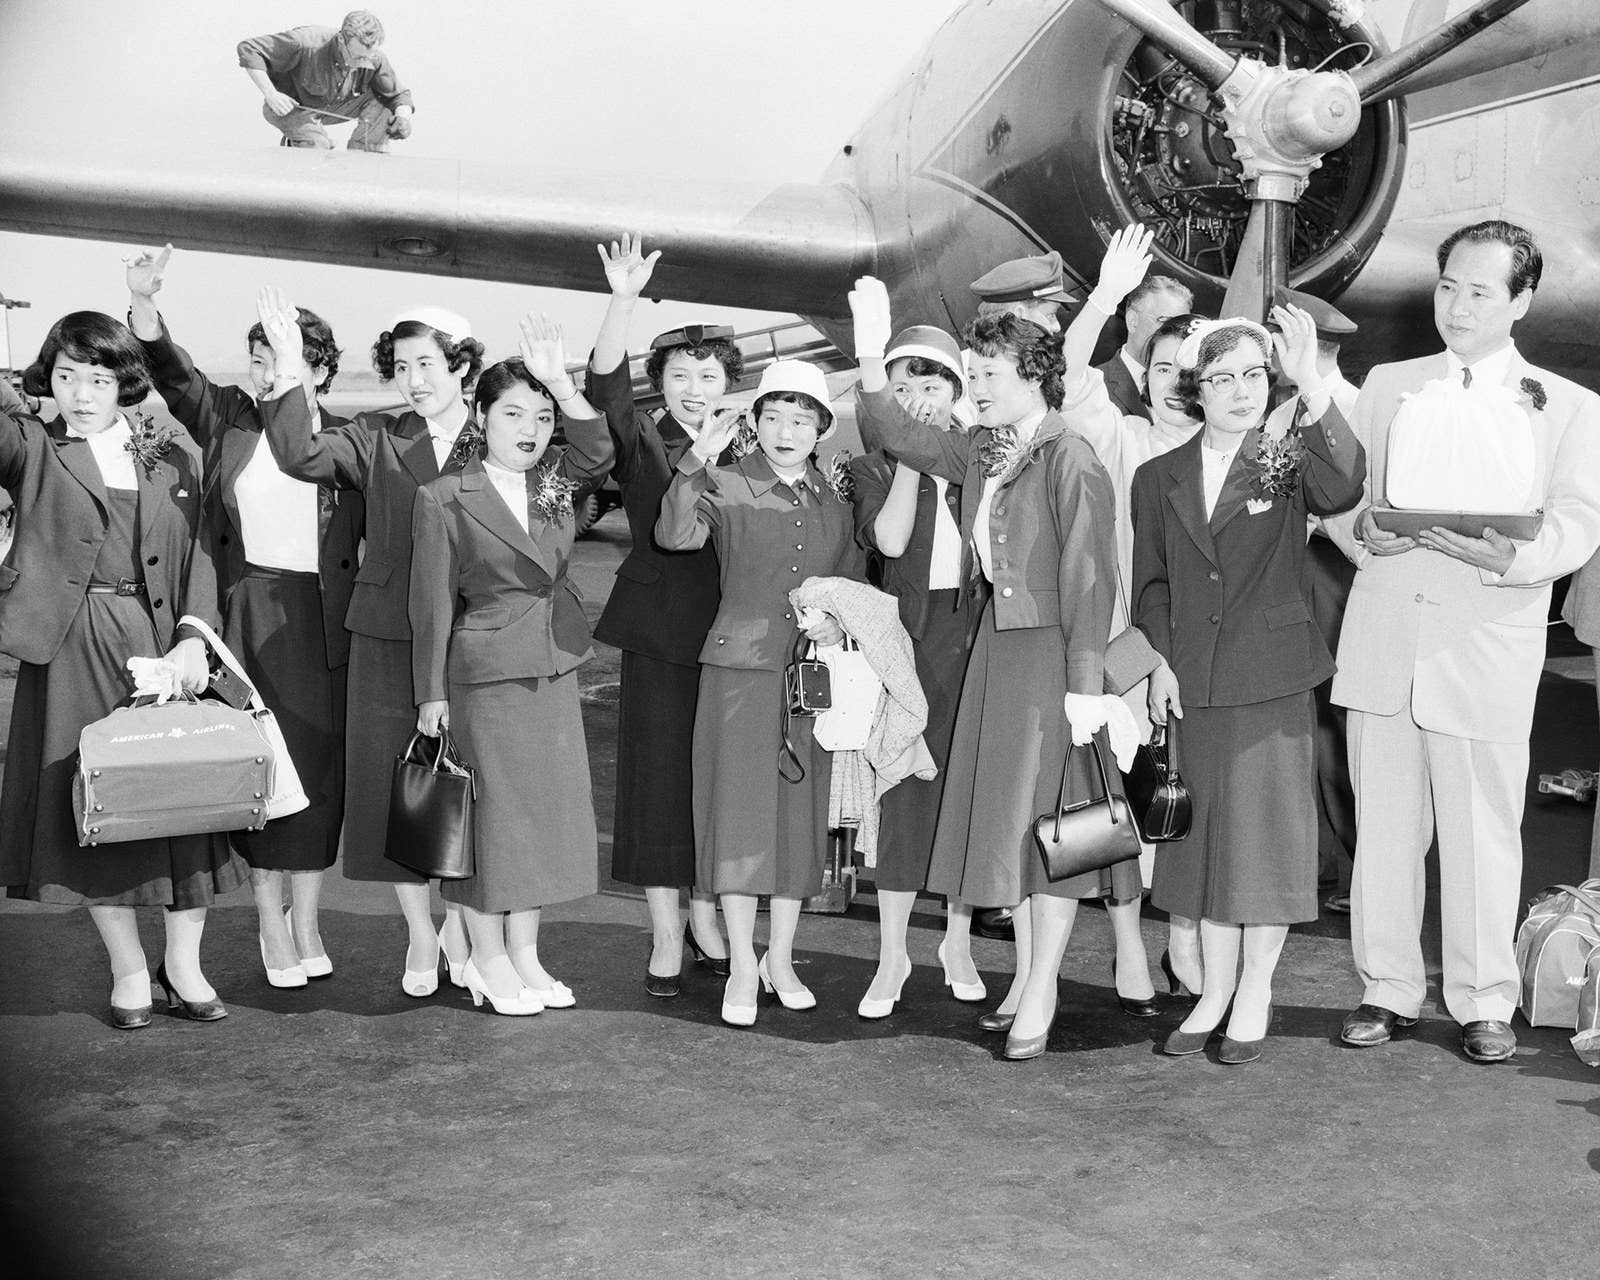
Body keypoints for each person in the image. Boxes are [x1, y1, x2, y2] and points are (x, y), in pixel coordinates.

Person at [1329, 219, 1600, 1063]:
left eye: (1480, 291)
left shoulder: (1571, 405)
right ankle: (1387, 990)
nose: (1457, 305)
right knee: (1385, 829)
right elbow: (1344, 499)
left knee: (1484, 830)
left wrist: (1515, 556)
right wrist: (1361, 532)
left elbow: (1580, 520)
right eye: (1448, 285)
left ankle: (1484, 999)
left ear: (1520, 302)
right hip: (1383, 636)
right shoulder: (1387, 383)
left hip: (1486, 637)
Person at [851, 280, 1127, 1062]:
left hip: (1048, 660)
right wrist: (872, 355)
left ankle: (1040, 988)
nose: (973, 390)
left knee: (1055, 832)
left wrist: (1085, 683)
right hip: (996, 656)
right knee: (1019, 829)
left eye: (987, 377)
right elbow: (900, 435)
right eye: (971, 376)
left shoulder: (1069, 454)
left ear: (1034, 377)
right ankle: (1027, 982)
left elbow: (1089, 574)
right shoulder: (982, 446)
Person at [1130, 308, 1365, 1064]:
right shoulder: (1154, 476)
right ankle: (1211, 994)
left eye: (1253, 377)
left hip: (1269, 678)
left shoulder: (1287, 457)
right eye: (1221, 378)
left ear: (1271, 382)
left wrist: (1314, 383)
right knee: (1204, 849)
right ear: (1196, 390)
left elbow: (1345, 484)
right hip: (1192, 680)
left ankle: (1253, 991)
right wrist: (1160, 661)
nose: (1238, 391)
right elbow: (1152, 585)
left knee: (1263, 843)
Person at [125, 246, 361, 989]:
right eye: (256, 359)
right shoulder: (228, 417)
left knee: (319, 774)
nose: (263, 374)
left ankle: (309, 918)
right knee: (261, 767)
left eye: (280, 360)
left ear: (318, 370)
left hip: (323, 621)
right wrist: (145, 309)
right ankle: (269, 921)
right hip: (245, 614)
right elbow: (173, 374)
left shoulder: (353, 437)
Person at [0, 312, 242, 1027]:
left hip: (162, 644)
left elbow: (203, 556)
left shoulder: (171, 458)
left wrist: (195, 640)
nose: (81, 392)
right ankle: (130, 971)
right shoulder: (36, 449)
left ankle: (186, 964)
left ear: (123, 384)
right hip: (74, 644)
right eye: (67, 375)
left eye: (99, 377)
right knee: (97, 811)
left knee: (184, 802)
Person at [259, 295, 485, 998]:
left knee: (481, 789)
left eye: (429, 364)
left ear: (462, 366)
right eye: (403, 366)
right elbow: (298, 451)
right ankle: (421, 934)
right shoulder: (379, 436)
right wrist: (291, 368)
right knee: (400, 788)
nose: (415, 379)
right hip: (390, 632)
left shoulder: (503, 430)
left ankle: (467, 930)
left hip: (481, 634)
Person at [403, 320, 613, 1015]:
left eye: (542, 415)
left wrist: (561, 382)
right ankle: (487, 959)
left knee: (544, 824)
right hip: (486, 678)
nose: (530, 427)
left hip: (552, 668)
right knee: (491, 824)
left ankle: (525, 953)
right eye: (514, 413)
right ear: (483, 418)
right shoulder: (445, 497)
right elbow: (430, 605)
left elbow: (599, 448)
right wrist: (429, 696)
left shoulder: (556, 483)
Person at [655, 360, 864, 1027]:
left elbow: (853, 587)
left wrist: (835, 618)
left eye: (802, 418)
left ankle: (781, 956)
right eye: (772, 416)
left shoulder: (835, 503)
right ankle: (743, 963)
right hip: (740, 673)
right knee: (739, 817)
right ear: (754, 422)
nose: (785, 430)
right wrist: (694, 463)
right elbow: (674, 535)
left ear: (822, 428)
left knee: (799, 821)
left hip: (810, 681)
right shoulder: (726, 482)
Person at [587, 234, 733, 998]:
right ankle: (667, 934)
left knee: (716, 784)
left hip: (734, 639)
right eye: (680, 375)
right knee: (655, 785)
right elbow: (603, 382)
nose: (695, 388)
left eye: (708, 375)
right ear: (662, 384)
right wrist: (623, 298)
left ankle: (710, 919)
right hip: (658, 636)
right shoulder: (642, 439)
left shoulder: (754, 443)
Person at [845, 320, 982, 1018]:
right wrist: (906, 455)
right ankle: (892, 952)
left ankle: (956, 940)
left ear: (958, 391)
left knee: (966, 797)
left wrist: (940, 449)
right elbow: (892, 539)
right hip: (907, 647)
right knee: (903, 797)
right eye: (901, 387)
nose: (918, 397)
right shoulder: (869, 469)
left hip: (976, 644)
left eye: (932, 383)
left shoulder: (979, 461)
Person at [1276, 286, 1363, 917]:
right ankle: (1307, 862)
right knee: (1293, 724)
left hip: (1332, 580)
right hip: (1288, 582)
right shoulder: (1280, 411)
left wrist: (1306, 521)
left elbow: (1359, 514)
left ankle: (1355, 867)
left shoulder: (1355, 410)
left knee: (1335, 727)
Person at [238, 10, 413, 152]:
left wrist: (402, 119)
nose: (363, 62)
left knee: (387, 105)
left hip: (334, 107)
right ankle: (300, 145)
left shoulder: (373, 57)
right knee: (317, 146)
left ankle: (364, 157)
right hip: (291, 108)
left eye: (369, 56)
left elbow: (399, 96)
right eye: (358, 56)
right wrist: (271, 94)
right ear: (341, 40)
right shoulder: (306, 42)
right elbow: (249, 49)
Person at [1095, 274, 1195, 419]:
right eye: (1165, 323)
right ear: (1133, 322)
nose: (1176, 336)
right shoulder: (1096, 388)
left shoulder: (1191, 392)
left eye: (1182, 327)